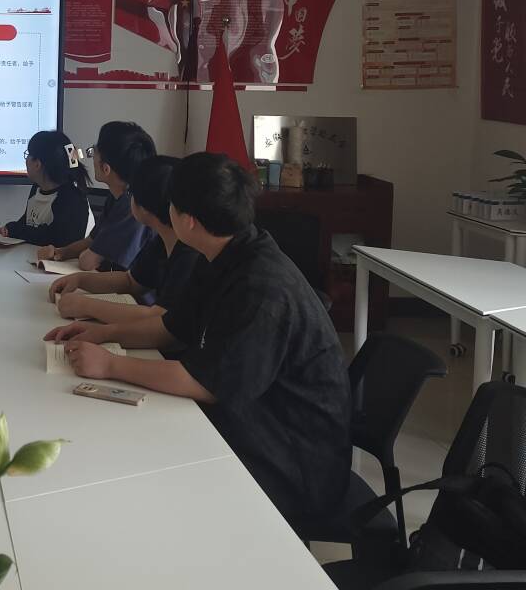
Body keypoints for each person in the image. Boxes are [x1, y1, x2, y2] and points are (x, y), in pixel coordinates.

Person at [44, 152, 351, 527]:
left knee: (145, 463)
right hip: (257, 418)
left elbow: (205, 382)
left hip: (294, 458)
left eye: (171, 205)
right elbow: (172, 328)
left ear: (187, 220)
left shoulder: (261, 287)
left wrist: (110, 364)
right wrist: (102, 333)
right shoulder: (224, 251)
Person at [52, 155, 201, 323]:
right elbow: (130, 282)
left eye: (131, 192)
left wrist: (87, 306)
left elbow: (159, 318)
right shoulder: (162, 242)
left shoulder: (189, 255)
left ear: (144, 205)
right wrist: (79, 280)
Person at [37, 121, 155, 275]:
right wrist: (60, 252)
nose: (91, 156)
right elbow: (91, 241)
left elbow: (88, 261)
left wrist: (85, 255)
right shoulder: (116, 197)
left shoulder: (131, 206)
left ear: (106, 169)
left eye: (94, 151)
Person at [0, 130, 94, 247]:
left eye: (28, 154)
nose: (26, 159)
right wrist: (8, 229)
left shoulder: (71, 198)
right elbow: (28, 223)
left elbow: (54, 239)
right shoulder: (37, 188)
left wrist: (17, 231)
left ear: (37, 164)